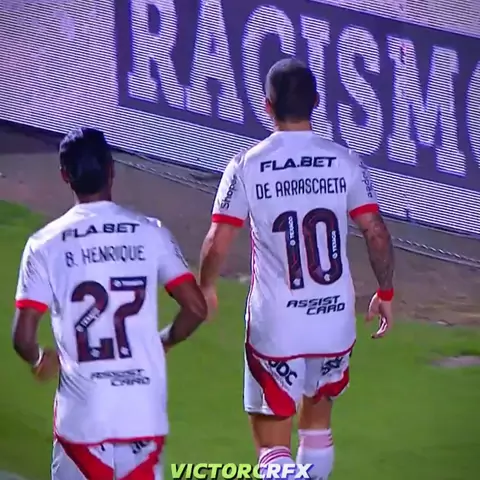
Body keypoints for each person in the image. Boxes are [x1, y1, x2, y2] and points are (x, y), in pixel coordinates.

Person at [199, 58, 395, 479]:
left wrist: (207, 287)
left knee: (272, 447)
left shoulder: (247, 165)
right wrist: (386, 291)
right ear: (317, 103)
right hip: (333, 321)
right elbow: (376, 231)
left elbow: (218, 238)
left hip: (277, 325)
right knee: (317, 429)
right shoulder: (345, 161)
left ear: (267, 106)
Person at [12, 127, 208, 480]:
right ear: (111, 169)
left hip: (82, 420)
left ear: (64, 176)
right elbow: (196, 309)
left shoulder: (43, 245)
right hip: (142, 417)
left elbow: (22, 338)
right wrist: (163, 341)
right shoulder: (151, 232)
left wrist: (38, 359)